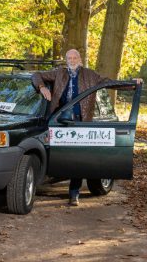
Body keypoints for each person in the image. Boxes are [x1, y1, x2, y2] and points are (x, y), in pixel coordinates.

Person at [32, 49, 141, 206]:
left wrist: (131, 84)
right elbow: (36, 75)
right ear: (66, 59)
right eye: (69, 57)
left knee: (78, 158)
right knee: (58, 155)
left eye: (75, 57)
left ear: (80, 59)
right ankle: (44, 182)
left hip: (81, 122)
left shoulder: (90, 75)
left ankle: (74, 193)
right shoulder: (59, 73)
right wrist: (42, 87)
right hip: (58, 121)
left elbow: (109, 82)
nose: (72, 59)